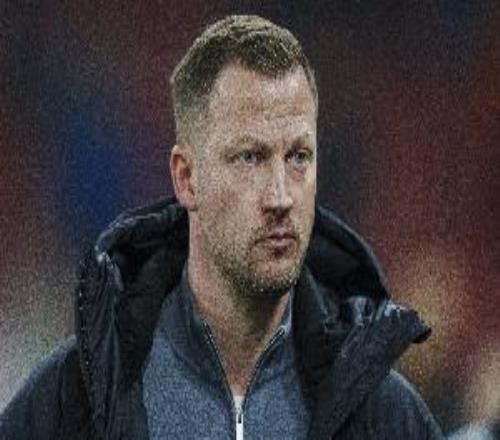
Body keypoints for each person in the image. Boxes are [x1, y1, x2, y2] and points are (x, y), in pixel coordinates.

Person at [0, 15, 444, 439]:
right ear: (186, 178)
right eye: (250, 158)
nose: (280, 197)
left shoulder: (385, 416)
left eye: (298, 157)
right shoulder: (73, 403)